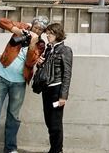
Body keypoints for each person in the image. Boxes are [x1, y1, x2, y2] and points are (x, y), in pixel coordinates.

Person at [0, 16, 48, 153]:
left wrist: (32, 44)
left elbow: (30, 63)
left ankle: (10, 149)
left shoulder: (40, 44)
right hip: (1, 77)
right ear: (32, 25)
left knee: (13, 117)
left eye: (40, 29)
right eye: (35, 27)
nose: (37, 30)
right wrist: (18, 30)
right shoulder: (23, 29)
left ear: (43, 31)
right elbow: (1, 21)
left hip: (18, 83)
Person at [35, 23, 73, 153]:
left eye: (50, 33)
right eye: (47, 33)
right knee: (49, 122)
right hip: (46, 89)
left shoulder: (65, 50)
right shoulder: (48, 49)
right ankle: (54, 149)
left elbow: (67, 74)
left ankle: (57, 150)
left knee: (55, 123)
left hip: (57, 90)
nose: (47, 35)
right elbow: (46, 71)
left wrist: (63, 96)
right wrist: (40, 63)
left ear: (57, 34)